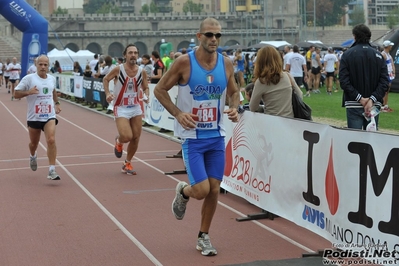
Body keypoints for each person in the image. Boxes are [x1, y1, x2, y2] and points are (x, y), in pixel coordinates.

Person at [154, 17, 240, 256]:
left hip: (216, 136)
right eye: (210, 35)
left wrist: (234, 107)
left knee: (214, 189)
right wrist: (178, 113)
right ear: (199, 36)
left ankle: (203, 236)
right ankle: (183, 192)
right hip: (192, 138)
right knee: (201, 191)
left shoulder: (226, 64)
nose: (214, 39)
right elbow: (160, 89)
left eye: (218, 35)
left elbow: (234, 92)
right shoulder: (184, 63)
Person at [103, 44, 149, 175]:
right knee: (127, 136)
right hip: (121, 107)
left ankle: (127, 163)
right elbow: (105, 79)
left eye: (135, 52)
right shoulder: (118, 69)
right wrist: (107, 94)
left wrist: (147, 95)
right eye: (130, 53)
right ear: (125, 55)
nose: (133, 55)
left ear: (138, 55)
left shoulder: (142, 71)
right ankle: (119, 141)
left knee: (136, 137)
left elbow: (145, 87)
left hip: (135, 107)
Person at [14, 55, 62, 180]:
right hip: (34, 117)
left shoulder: (51, 79)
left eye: (45, 65)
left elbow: (53, 91)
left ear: (48, 66)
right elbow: (16, 93)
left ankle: (52, 170)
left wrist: (56, 103)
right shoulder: (29, 79)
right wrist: (28, 92)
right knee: (33, 144)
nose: (43, 67)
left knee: (51, 140)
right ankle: (32, 155)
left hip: (49, 116)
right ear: (36, 65)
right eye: (40, 64)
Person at [339, 24, 389, 130]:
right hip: (374, 104)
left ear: (354, 36)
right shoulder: (379, 56)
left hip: (354, 102)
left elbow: (343, 81)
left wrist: (360, 98)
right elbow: (384, 82)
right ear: (369, 36)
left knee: (355, 140)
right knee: (370, 141)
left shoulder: (347, 55)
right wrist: (371, 99)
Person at [249, 45, 303, 117]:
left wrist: (263, 107)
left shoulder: (261, 82)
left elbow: (252, 107)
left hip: (271, 121)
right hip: (290, 120)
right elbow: (300, 95)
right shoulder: (287, 76)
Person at [381, 40, 395, 112]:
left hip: (389, 74)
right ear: (388, 46)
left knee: (387, 90)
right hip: (386, 75)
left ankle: (386, 105)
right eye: (390, 45)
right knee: (385, 90)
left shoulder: (388, 55)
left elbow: (392, 64)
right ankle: (383, 106)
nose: (391, 47)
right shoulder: (383, 54)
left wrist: (393, 72)